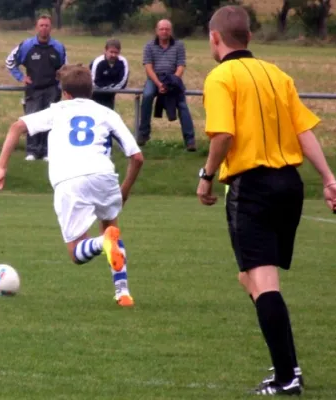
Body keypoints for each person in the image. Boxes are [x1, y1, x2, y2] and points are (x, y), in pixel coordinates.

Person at [196, 5, 336, 395]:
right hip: (289, 185)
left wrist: (206, 177)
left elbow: (222, 135)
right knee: (252, 279)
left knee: (262, 281)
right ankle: (288, 367)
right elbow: (304, 130)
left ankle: (287, 375)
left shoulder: (221, 76)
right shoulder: (277, 74)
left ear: (214, 38)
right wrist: (328, 178)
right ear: (250, 38)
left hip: (252, 187)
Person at [0, 65, 144, 307]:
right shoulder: (107, 113)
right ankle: (122, 292)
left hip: (70, 181)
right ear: (91, 91)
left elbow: (17, 127)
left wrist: (1, 166)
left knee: (77, 252)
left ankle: (103, 243)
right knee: (111, 227)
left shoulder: (57, 110)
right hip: (103, 174)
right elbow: (137, 157)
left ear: (65, 93)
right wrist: (124, 191)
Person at [6, 14, 67, 162]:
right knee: (31, 120)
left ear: (50, 28)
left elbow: (65, 68)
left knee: (51, 121)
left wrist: (61, 85)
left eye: (47, 25)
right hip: (33, 90)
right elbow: (10, 62)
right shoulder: (27, 45)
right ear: (36, 27)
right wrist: (21, 77)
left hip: (52, 90)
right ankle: (32, 152)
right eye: (41, 25)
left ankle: (47, 152)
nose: (44, 28)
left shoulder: (58, 47)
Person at [137, 19, 196, 151]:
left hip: (173, 77)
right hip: (154, 78)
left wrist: (173, 81)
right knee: (147, 95)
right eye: (162, 29)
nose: (164, 32)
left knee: (182, 104)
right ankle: (143, 134)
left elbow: (181, 65)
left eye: (167, 29)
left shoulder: (179, 45)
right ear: (157, 31)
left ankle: (190, 141)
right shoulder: (149, 46)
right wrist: (158, 84)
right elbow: (148, 67)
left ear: (171, 31)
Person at [89, 38, 129, 110]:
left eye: (116, 52)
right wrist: (109, 87)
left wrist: (110, 88)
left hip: (110, 97)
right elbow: (95, 82)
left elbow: (123, 81)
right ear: (105, 50)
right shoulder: (98, 62)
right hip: (95, 96)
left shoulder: (123, 62)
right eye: (111, 52)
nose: (113, 55)